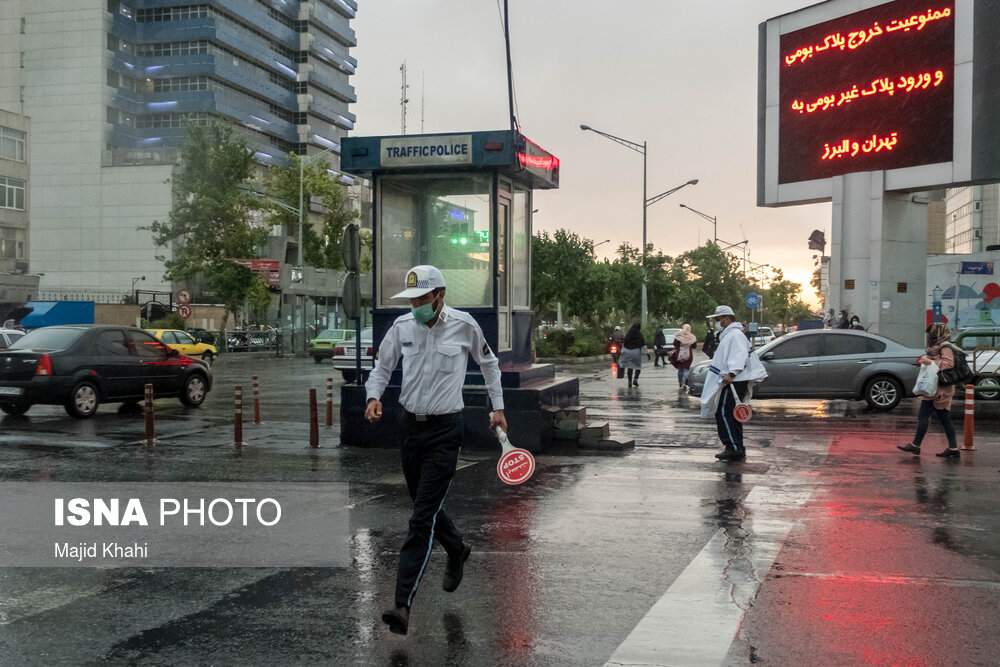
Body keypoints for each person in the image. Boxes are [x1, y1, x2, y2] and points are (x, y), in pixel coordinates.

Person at [365, 265, 507, 635]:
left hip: (446, 431)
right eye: (411, 300)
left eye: (422, 299)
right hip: (410, 428)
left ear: (439, 295)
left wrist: (498, 408)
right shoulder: (401, 328)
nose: (415, 306)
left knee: (420, 519)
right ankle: (457, 548)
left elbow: (489, 364)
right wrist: (373, 397)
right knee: (422, 507)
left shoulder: (464, 326)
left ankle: (401, 605)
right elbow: (382, 368)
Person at [700, 305, 767, 461]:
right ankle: (737, 447)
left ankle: (733, 447)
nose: (717, 322)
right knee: (731, 414)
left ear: (727, 318)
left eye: (718, 319)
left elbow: (739, 355)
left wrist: (732, 373)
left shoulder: (734, 335)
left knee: (723, 413)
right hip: (735, 379)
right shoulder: (732, 334)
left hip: (734, 380)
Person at [898, 322, 960, 458]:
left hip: (940, 389)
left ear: (936, 334)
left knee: (924, 415)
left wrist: (930, 362)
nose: (928, 337)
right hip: (936, 387)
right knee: (944, 418)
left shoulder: (945, 347)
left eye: (930, 334)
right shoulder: (936, 347)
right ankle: (953, 448)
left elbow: (948, 364)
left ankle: (916, 445)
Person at [672, 323, 698, 391]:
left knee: (680, 369)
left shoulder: (679, 335)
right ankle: (684, 383)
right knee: (686, 369)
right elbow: (694, 346)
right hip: (688, 356)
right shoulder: (692, 337)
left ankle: (680, 382)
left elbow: (675, 344)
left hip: (679, 355)